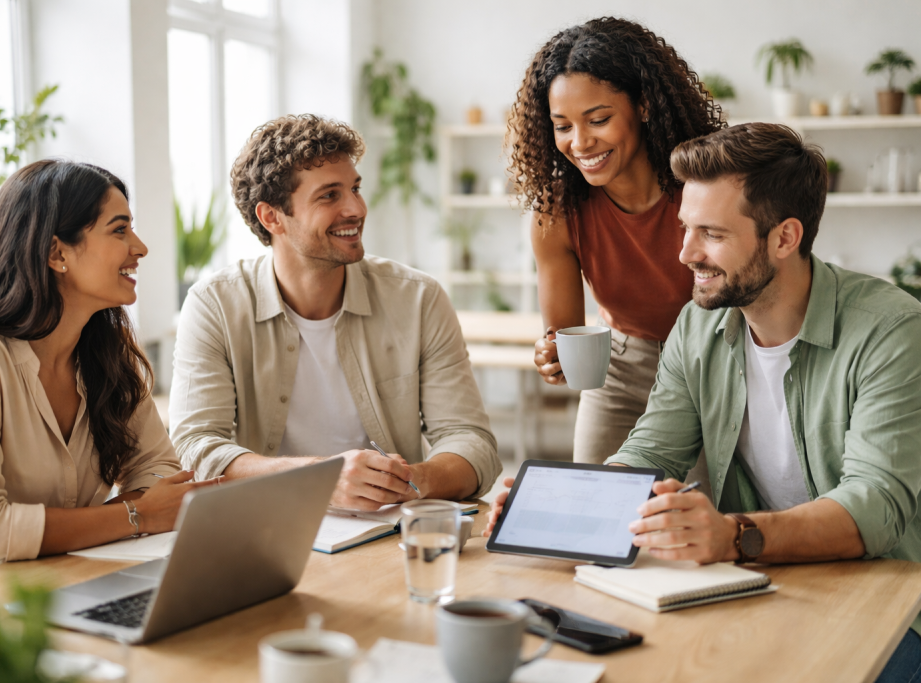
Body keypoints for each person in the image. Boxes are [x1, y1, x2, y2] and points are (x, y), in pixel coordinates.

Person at [486, 123, 921, 681]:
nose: (685, 253)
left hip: (885, 599)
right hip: (760, 586)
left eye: (711, 234)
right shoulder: (699, 325)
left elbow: (875, 504)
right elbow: (652, 451)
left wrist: (734, 535)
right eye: (685, 228)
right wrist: (563, 507)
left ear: (784, 238)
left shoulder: (891, 329)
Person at [0, 160, 217, 603]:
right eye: (119, 230)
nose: (140, 248)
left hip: (59, 569)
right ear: (57, 254)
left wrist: (134, 513)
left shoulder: (109, 351)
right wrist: (136, 514)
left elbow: (160, 474)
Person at [170, 114, 501, 511]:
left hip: (387, 533)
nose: (356, 208)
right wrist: (320, 478)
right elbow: (196, 448)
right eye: (330, 195)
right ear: (271, 216)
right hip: (268, 527)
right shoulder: (215, 305)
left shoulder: (418, 298)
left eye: (355, 189)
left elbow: (473, 442)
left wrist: (413, 480)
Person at [509, 17, 723, 485]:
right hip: (623, 369)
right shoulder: (557, 212)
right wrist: (553, 354)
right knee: (593, 506)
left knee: (699, 519)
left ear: (644, 105)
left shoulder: (706, 187)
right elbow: (562, 331)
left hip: (715, 365)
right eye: (562, 126)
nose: (580, 143)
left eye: (599, 119)